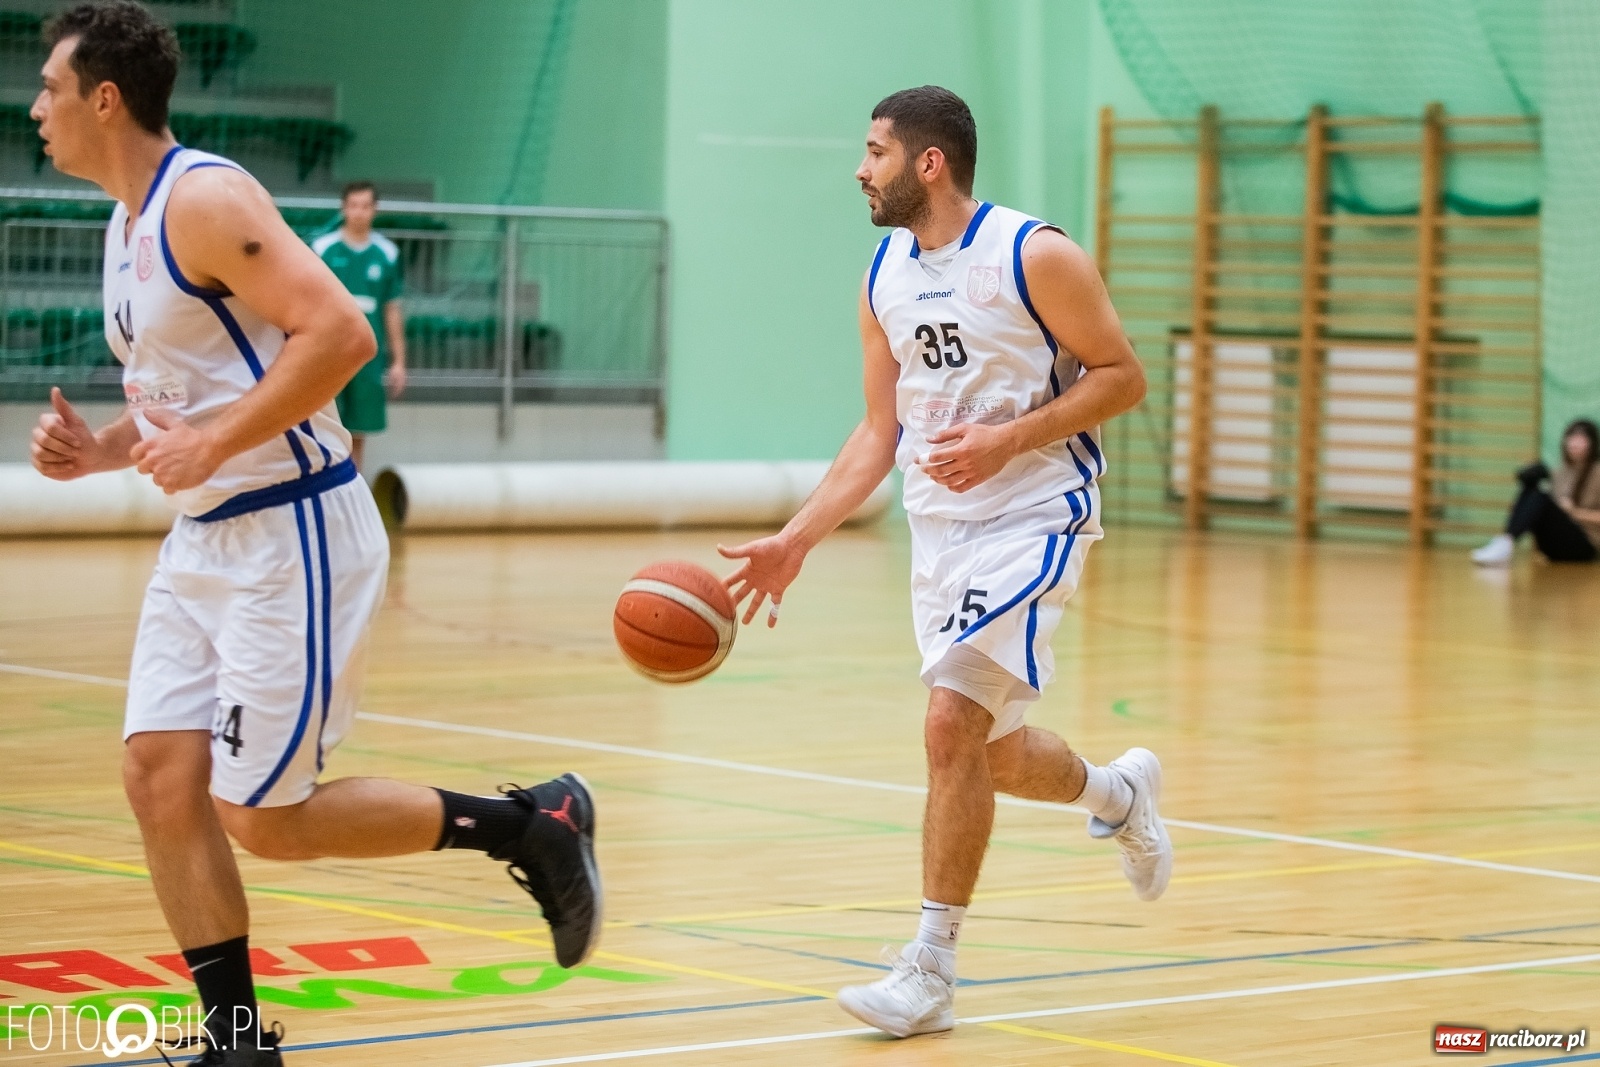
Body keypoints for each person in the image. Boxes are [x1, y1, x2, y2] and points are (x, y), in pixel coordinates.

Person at [27, 5, 599, 1063]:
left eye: (50, 88)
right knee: (157, 776)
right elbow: (184, 394)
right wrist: (102, 451)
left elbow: (335, 333)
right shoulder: (124, 219)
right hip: (206, 535)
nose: (35, 108)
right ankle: (237, 1040)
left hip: (290, 534)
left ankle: (533, 824)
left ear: (104, 97)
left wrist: (209, 441)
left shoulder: (203, 198)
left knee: (264, 816)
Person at [719, 86, 1168, 1040]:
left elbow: (1123, 376)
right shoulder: (882, 269)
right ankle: (1119, 794)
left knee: (945, 724)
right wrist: (795, 538)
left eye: (874, 150)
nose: (859, 167)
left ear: (929, 163)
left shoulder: (1032, 254)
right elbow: (878, 434)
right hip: (942, 532)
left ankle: (929, 968)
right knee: (987, 749)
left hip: (1035, 513)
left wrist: (1012, 442)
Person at [311, 181, 405, 472]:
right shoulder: (323, 248)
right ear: (343, 208)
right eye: (353, 205)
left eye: (365, 206)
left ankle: (353, 489)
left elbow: (392, 308)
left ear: (374, 210)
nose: (359, 212)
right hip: (329, 352)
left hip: (367, 354)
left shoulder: (387, 253)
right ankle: (324, 491)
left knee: (358, 430)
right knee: (323, 426)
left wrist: (399, 362)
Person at [1473, 418, 1600, 566]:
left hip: (1586, 545)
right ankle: (1506, 541)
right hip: (1555, 544)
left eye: (1581, 439)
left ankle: (1506, 543)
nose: (1575, 443)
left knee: (1541, 497)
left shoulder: (1597, 472)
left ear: (1592, 443)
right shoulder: (1560, 472)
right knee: (1533, 488)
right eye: (1572, 438)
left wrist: (1574, 512)